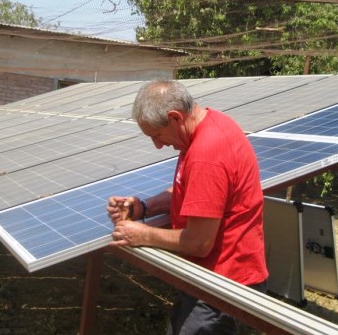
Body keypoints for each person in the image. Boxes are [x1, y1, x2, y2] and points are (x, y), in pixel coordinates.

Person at [107, 79, 268, 335]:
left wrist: (142, 234)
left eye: (156, 135)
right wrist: (145, 207)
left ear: (174, 118)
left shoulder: (207, 153)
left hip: (223, 283)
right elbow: (196, 194)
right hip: (209, 277)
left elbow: (199, 243)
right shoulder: (203, 128)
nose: (157, 145)